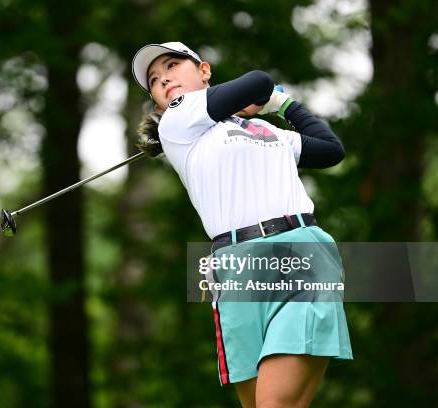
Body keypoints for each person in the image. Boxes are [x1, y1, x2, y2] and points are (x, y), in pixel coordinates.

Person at [132, 42, 353, 408]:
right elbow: (257, 82)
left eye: (172, 65)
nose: (164, 78)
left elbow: (330, 150)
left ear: (204, 70)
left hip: (298, 252)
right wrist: (255, 97)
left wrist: (282, 106)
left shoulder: (263, 131)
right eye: (154, 80)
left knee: (273, 403)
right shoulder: (177, 120)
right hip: (233, 269)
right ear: (158, 103)